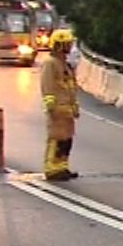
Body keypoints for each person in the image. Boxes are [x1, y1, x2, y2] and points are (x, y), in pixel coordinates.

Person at [41, 28, 79, 181]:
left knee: (66, 141)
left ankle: (62, 167)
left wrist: (74, 106)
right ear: (59, 45)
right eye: (67, 44)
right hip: (57, 109)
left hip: (67, 110)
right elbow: (47, 85)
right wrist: (51, 105)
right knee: (56, 140)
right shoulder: (50, 64)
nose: (69, 47)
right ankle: (52, 169)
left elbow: (71, 87)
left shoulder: (64, 64)